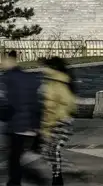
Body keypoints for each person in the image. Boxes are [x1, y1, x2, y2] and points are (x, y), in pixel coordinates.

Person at [1, 50, 46, 186]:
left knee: (14, 160)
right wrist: (38, 127)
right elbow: (37, 104)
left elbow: (6, 105)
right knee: (17, 158)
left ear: (10, 60)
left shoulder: (7, 79)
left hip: (17, 126)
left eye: (3, 61)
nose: (1, 64)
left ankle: (36, 180)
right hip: (30, 126)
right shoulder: (29, 78)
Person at [40, 57, 77, 186]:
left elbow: (64, 102)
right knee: (50, 150)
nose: (42, 69)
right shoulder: (55, 80)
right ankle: (58, 176)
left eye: (45, 66)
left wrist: (54, 115)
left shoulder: (58, 81)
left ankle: (58, 177)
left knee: (53, 150)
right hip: (57, 120)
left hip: (60, 120)